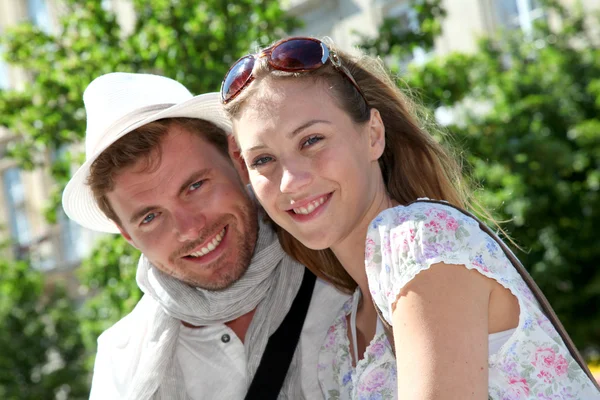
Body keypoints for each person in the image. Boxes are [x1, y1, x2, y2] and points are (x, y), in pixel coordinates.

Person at [221, 36, 600, 399]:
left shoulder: (422, 242)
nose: (291, 181)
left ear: (373, 135)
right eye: (263, 160)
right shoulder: (340, 344)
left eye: (311, 140)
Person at [61, 72, 348, 399]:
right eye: (151, 217)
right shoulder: (121, 360)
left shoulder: (345, 268)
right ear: (128, 236)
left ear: (238, 161)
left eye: (195, 186)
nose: (190, 229)